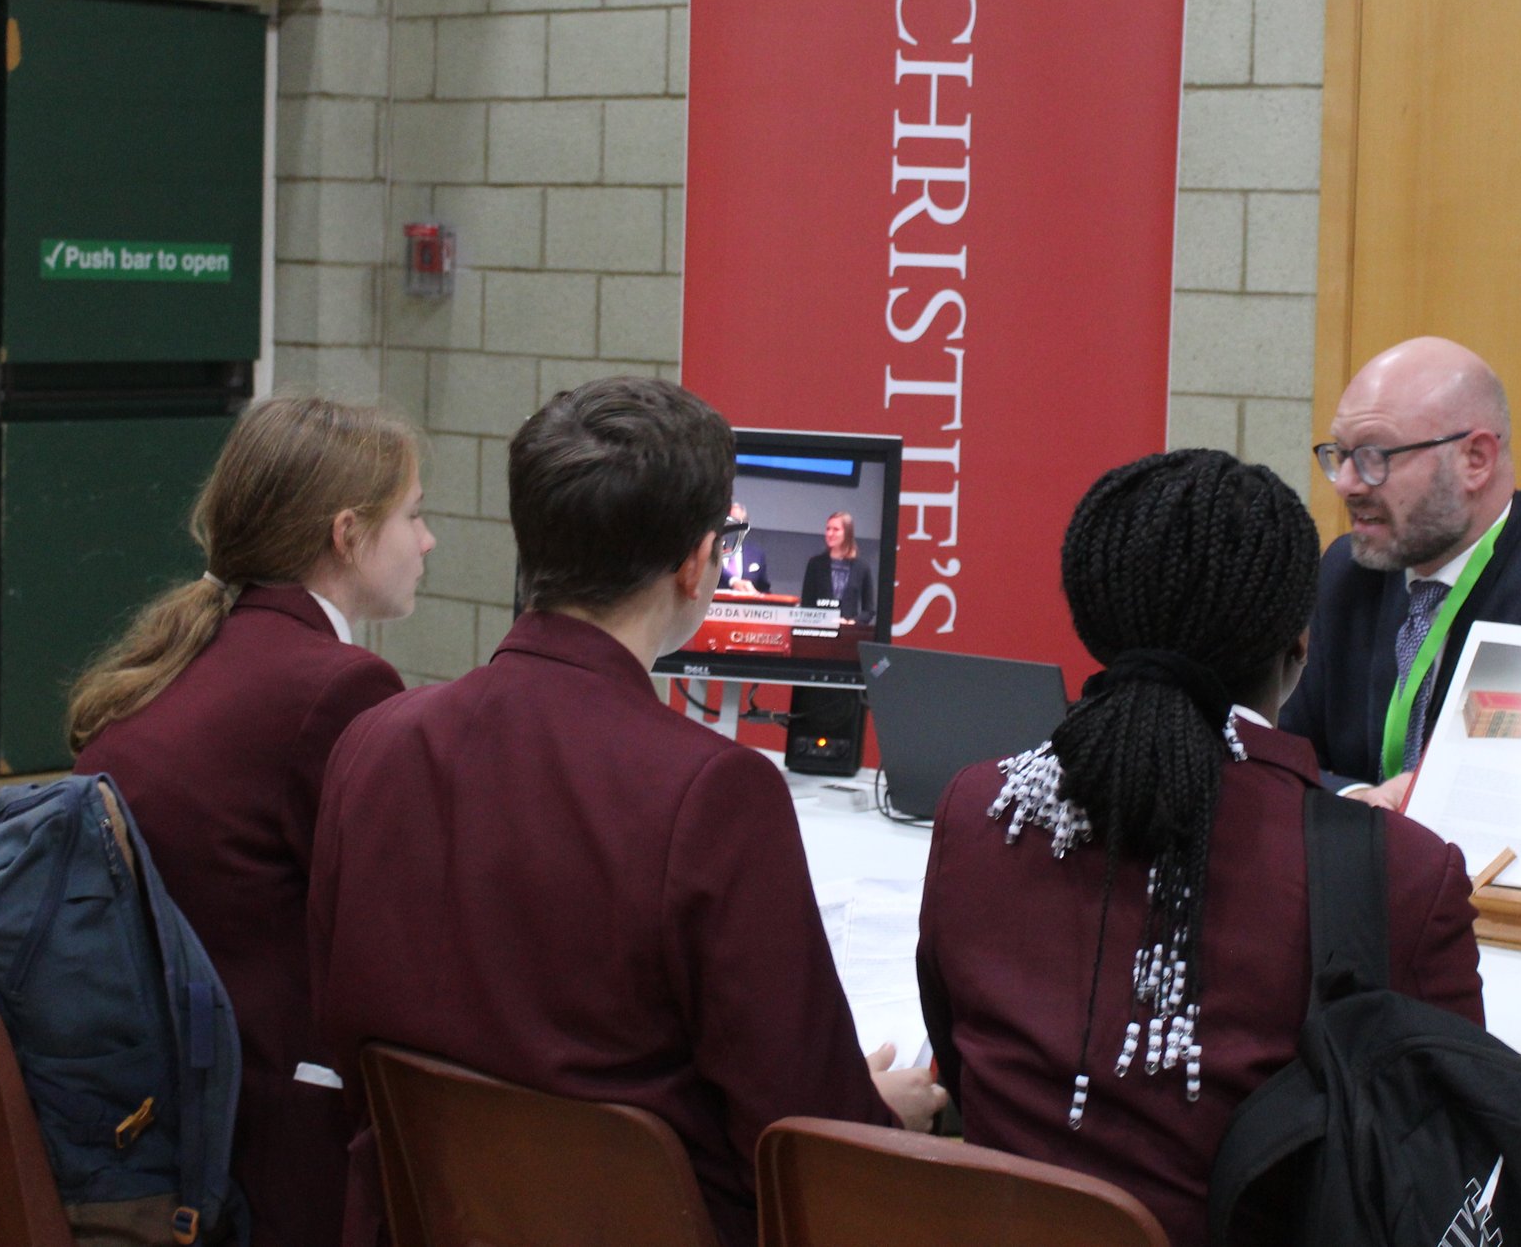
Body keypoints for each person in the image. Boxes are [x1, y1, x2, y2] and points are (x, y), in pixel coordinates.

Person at [309, 377, 941, 1247]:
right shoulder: (715, 794)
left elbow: (347, 1045)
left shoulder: (371, 744)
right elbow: (806, 1132)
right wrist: (881, 1113)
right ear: (697, 561)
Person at [915, 449, 1482, 1247]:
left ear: (1094, 613)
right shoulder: (1403, 873)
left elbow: (957, 1068)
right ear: (1299, 642)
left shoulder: (979, 811)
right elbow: (1457, 1165)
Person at [68, 396, 430, 1247]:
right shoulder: (339, 686)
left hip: (150, 1120)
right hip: (263, 1156)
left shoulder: (180, 652)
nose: (427, 541)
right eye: (414, 515)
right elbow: (400, 935)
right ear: (348, 533)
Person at [1287, 337, 1521, 806]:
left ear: (1475, 460)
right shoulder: (1347, 569)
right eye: (1340, 455)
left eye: (1374, 458)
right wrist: (1361, 800)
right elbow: (1282, 757)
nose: (1347, 484)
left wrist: (1407, 808)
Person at [798, 509, 876, 624]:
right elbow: (806, 604)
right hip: (820, 628)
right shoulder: (815, 564)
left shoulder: (862, 567)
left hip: (847, 630)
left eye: (836, 529)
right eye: (828, 529)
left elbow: (869, 610)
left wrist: (851, 622)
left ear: (847, 533)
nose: (830, 534)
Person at [716, 499, 771, 593]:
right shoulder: (711, 549)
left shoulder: (756, 555)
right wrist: (733, 581)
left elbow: (764, 589)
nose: (733, 528)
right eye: (729, 523)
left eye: (739, 523)